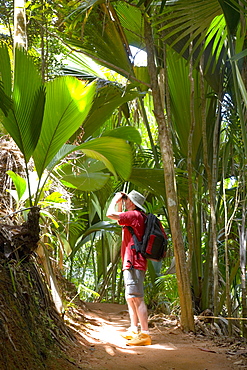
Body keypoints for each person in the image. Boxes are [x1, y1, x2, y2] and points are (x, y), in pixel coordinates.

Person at [106, 190, 151, 346]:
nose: (125, 202)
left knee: (137, 297)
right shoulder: (135, 217)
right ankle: (134, 328)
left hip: (134, 261)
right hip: (131, 261)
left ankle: (145, 334)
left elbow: (109, 214)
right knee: (130, 297)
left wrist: (115, 198)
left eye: (127, 200)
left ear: (133, 203)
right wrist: (120, 201)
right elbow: (119, 219)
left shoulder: (135, 215)